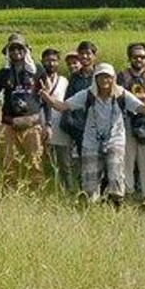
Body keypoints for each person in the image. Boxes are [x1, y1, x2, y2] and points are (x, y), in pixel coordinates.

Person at [45, 62, 145, 205]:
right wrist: (45, 96)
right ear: (95, 78)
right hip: (91, 139)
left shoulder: (121, 94)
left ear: (113, 78)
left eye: (108, 77)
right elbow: (61, 106)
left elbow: (142, 109)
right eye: (101, 77)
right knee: (90, 177)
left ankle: (116, 205)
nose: (105, 80)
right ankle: (91, 206)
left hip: (115, 138)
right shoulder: (87, 95)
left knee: (115, 172)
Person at [0, 33, 50, 189]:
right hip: (9, 125)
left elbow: (45, 99)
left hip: (32, 124)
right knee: (9, 163)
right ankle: (10, 195)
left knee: (35, 162)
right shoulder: (3, 73)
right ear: (8, 52)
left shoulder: (37, 70)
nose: (16, 52)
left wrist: (47, 124)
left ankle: (37, 194)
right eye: (12, 49)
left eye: (19, 48)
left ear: (26, 50)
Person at [116, 42, 145, 202]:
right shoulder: (122, 76)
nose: (139, 59)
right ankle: (128, 194)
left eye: (142, 56)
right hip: (127, 121)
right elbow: (118, 97)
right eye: (135, 56)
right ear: (130, 58)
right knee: (127, 160)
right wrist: (142, 98)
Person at [57, 48, 95, 194]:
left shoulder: (97, 75)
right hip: (78, 126)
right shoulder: (72, 79)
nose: (73, 66)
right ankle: (83, 190)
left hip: (95, 123)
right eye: (70, 63)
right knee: (81, 159)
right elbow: (67, 102)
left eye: (75, 62)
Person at [39, 48, 72, 193]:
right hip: (41, 126)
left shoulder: (64, 81)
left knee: (64, 163)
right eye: (47, 60)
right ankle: (48, 190)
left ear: (58, 62)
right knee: (44, 162)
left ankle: (68, 191)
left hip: (60, 128)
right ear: (42, 62)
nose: (50, 63)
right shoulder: (36, 81)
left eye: (53, 60)